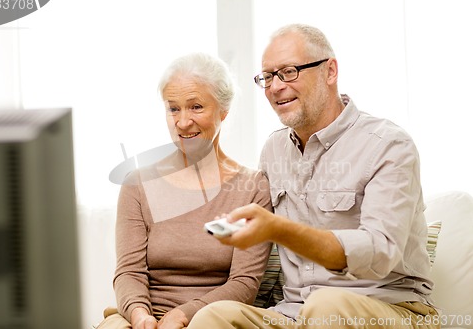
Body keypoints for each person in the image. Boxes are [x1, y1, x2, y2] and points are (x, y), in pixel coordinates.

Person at [186, 24, 439, 329]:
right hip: (295, 313)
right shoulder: (274, 149)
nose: (275, 87)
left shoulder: (388, 144)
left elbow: (380, 252)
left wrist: (279, 229)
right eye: (267, 77)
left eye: (289, 71)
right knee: (214, 317)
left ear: (330, 71)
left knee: (325, 305)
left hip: (389, 308)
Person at [97, 53, 272, 329]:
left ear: (223, 111)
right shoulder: (138, 184)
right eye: (173, 109)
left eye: (196, 107)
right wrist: (141, 317)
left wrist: (183, 316)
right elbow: (129, 272)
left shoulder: (253, 188)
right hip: (144, 319)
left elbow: (244, 283)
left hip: (213, 319)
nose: (182, 122)